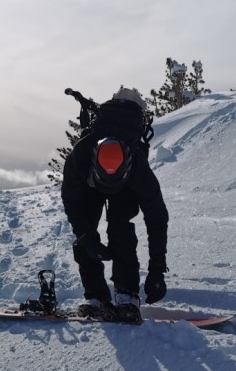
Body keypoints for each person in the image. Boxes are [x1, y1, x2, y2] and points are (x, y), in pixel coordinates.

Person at [61, 87, 169, 322]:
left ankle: (127, 295)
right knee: (85, 237)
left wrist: (157, 271)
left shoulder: (139, 169)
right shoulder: (80, 156)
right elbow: (71, 200)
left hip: (126, 188)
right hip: (90, 185)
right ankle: (96, 297)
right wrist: (85, 236)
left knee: (121, 231)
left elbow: (157, 218)